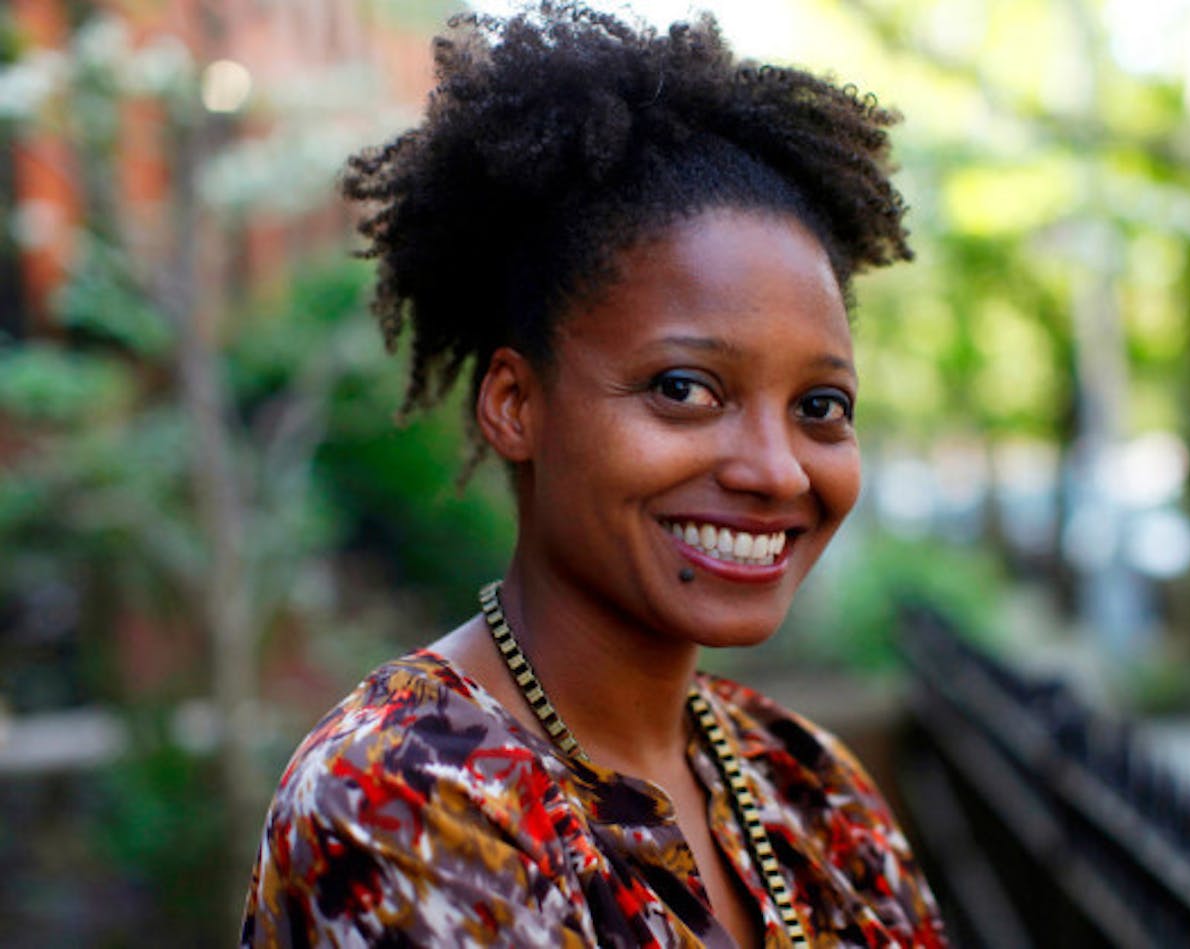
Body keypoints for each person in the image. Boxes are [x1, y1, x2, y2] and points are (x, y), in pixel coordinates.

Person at [242, 3, 945, 945]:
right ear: (514, 405)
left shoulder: (807, 784)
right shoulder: (404, 795)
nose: (778, 470)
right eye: (685, 388)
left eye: (820, 406)